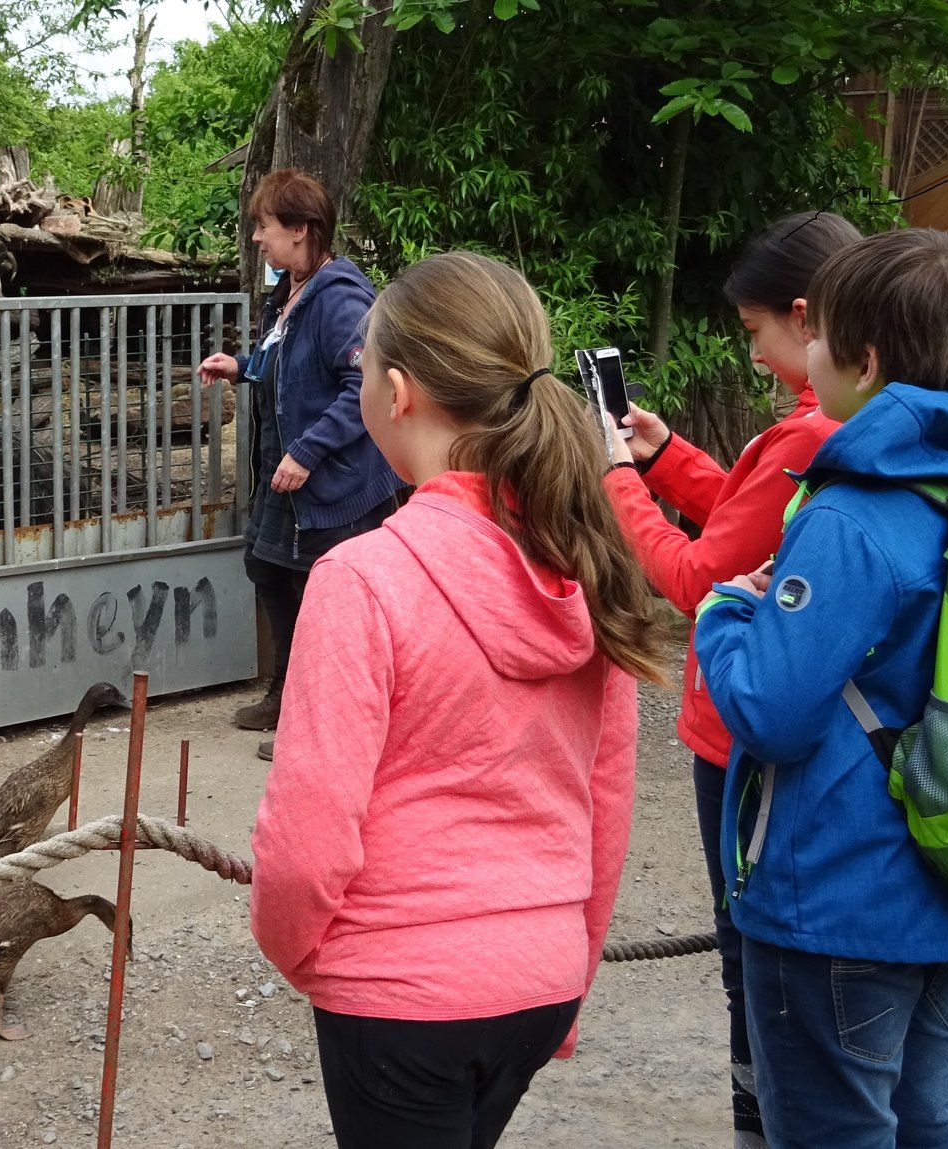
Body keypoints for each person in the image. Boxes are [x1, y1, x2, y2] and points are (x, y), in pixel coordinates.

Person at [248, 251, 665, 1148]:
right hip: (541, 972)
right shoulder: (587, 559)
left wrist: (299, 951)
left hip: (399, 988)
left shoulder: (361, 577)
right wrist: (570, 969)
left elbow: (307, 832)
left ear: (396, 392)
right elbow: (607, 799)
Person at [694, 228, 948, 1149]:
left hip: (840, 892)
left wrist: (727, 612)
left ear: (864, 360)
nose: (807, 355)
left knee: (835, 1125)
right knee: (922, 1115)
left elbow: (772, 709)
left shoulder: (855, 511)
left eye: (820, 338)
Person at [602, 210, 858, 1149]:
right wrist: (666, 458)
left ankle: (761, 1115)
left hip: (742, 731)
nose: (751, 356)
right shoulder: (824, 425)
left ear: (803, 314)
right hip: (785, 726)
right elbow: (747, 521)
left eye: (756, 334)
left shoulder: (812, 431)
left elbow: (696, 574)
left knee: (747, 942)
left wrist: (614, 480)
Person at [196, 168, 403, 760]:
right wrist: (242, 366)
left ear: (301, 229)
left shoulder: (341, 299)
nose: (258, 238)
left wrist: (308, 451)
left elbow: (363, 386)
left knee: (324, 596)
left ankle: (318, 719)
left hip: (334, 483)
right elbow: (288, 364)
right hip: (289, 478)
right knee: (268, 572)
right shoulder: (290, 290)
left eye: (265, 226)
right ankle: (285, 693)